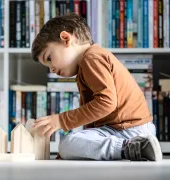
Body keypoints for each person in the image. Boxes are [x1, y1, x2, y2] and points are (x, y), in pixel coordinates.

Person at [31, 13, 162, 161]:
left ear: (66, 39)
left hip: (128, 130)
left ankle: (132, 148)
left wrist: (62, 120)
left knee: (67, 143)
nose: (52, 69)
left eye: (49, 58)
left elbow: (106, 103)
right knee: (69, 143)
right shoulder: (88, 63)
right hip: (123, 130)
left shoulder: (91, 58)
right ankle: (133, 148)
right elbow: (94, 117)